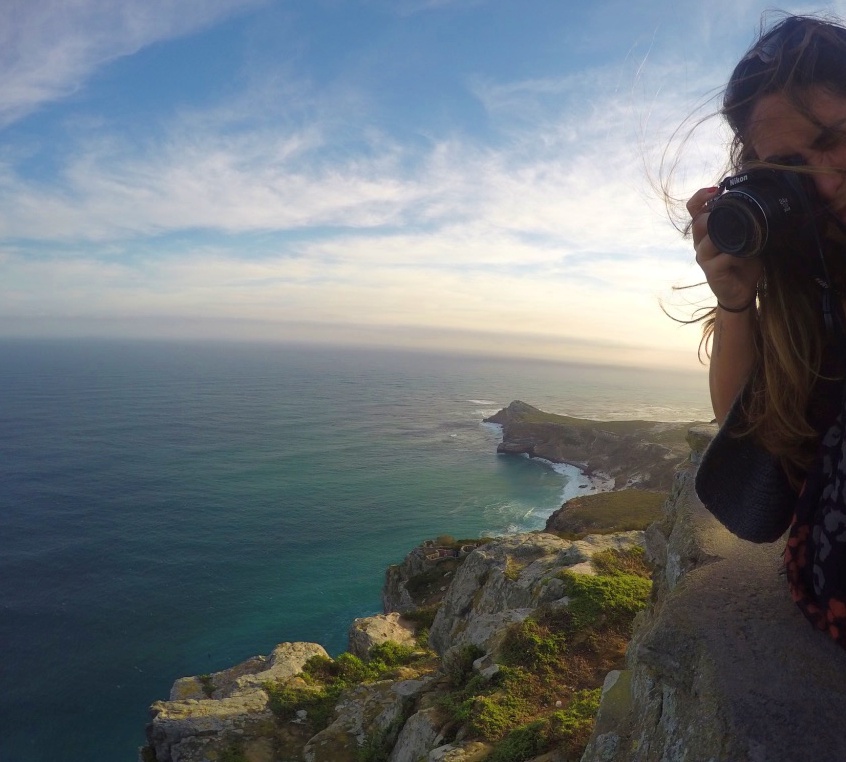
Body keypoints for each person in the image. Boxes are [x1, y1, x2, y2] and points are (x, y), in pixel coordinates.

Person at [687, 14, 846, 646]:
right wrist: (735, 301)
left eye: (836, 138)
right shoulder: (811, 272)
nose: (827, 181)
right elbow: (751, 442)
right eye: (790, 164)